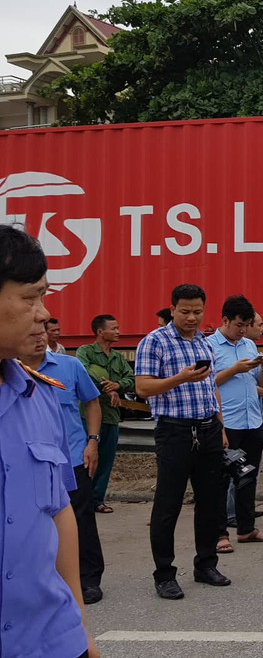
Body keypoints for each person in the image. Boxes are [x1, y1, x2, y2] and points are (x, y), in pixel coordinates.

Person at [0, 225, 99, 657]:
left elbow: (58, 512)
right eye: (30, 297)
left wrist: (78, 626)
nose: (43, 314)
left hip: (51, 639)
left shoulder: (38, 397)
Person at [135, 283, 231, 600]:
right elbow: (143, 388)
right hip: (174, 431)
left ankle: (206, 565)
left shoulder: (204, 342)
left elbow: (210, 388)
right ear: (172, 308)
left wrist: (220, 426)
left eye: (198, 311)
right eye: (185, 311)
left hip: (207, 429)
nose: (192, 317)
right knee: (168, 504)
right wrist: (180, 378)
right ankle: (164, 573)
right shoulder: (155, 342)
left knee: (210, 501)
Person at [21, 323, 107, 605]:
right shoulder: (11, 371)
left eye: (41, 332)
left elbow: (92, 402)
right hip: (29, 463)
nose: (38, 337)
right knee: (32, 523)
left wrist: (92, 441)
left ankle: (88, 579)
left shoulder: (69, 366)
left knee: (81, 519)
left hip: (71, 458)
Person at [208, 295, 263, 550]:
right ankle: (219, 534)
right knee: (221, 479)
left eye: (246, 325)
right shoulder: (209, 346)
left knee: (248, 477)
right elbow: (206, 383)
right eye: (238, 324)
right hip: (228, 422)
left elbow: (262, 383)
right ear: (225, 320)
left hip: (252, 421)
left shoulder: (248, 345)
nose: (242, 330)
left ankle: (246, 528)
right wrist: (234, 370)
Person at [75, 313, 135, 515]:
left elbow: (131, 379)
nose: (118, 332)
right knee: (86, 459)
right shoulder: (86, 352)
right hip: (88, 417)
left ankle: (97, 500)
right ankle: (82, 500)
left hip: (111, 416)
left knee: (106, 460)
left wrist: (118, 385)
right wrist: (106, 388)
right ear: (100, 332)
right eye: (114, 328)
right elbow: (82, 372)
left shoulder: (118, 358)